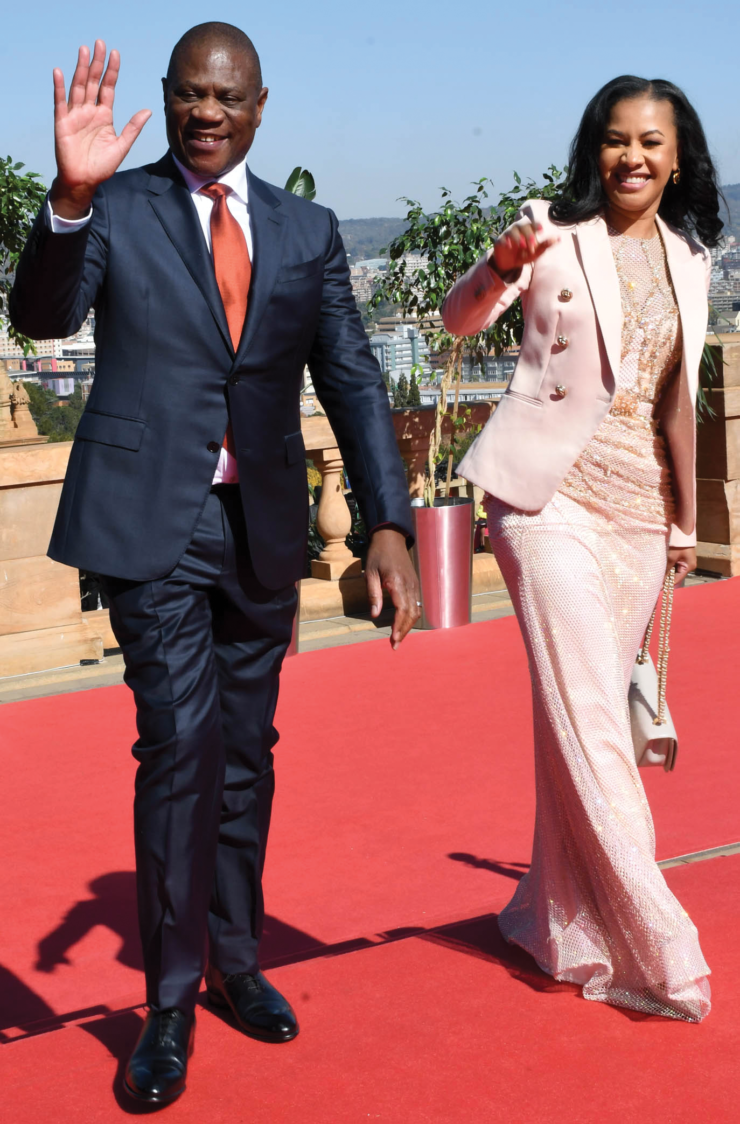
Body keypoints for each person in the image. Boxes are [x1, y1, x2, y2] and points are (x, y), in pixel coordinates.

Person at [11, 24, 420, 1104]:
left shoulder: (306, 229)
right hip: (154, 523)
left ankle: (238, 962)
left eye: (228, 97)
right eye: (190, 94)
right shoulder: (118, 206)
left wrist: (387, 520)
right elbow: (41, 317)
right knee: (181, 745)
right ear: (168, 96)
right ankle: (168, 1003)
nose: (207, 112)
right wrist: (68, 197)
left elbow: (352, 376)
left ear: (259, 106)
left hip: (264, 525)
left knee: (246, 752)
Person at [442, 75, 723, 1022]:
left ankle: (558, 920)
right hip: (544, 499)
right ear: (593, 150)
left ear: (678, 157)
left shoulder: (693, 258)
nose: (631, 156)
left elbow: (677, 399)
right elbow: (460, 319)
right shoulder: (550, 232)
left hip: (640, 508)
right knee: (594, 718)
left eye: (651, 141)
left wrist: (683, 521)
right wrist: (498, 264)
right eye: (615, 139)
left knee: (576, 715)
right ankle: (657, 933)